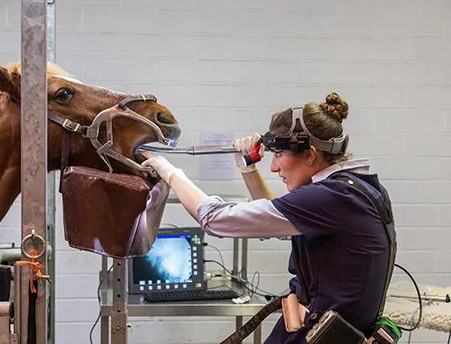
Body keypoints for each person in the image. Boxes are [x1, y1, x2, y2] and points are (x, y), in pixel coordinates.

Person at [140, 93, 396, 344]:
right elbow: (281, 220)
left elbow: (215, 219)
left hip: (322, 334)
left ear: (310, 154)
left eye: (279, 155)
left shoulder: (332, 197)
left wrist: (170, 172)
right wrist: (248, 170)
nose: (273, 167)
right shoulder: (360, 188)